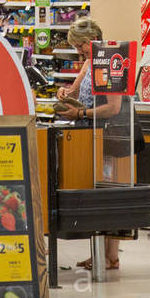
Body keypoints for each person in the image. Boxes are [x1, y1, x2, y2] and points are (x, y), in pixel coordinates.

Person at [55, 18, 124, 271]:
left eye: (80, 46)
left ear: (92, 40)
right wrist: (63, 94)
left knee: (108, 194)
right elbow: (73, 93)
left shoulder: (111, 61)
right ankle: (100, 254)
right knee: (94, 192)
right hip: (87, 137)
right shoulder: (88, 62)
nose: (78, 51)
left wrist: (82, 115)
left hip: (109, 137)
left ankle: (110, 256)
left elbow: (114, 108)